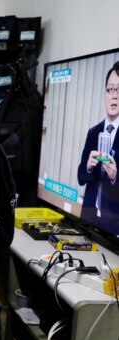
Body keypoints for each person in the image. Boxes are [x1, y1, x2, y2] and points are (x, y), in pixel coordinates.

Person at [77, 61, 119, 235]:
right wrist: (88, 166)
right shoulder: (93, 132)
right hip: (87, 219)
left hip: (113, 225)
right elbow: (80, 177)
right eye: (111, 89)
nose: (114, 96)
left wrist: (115, 176)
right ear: (104, 94)